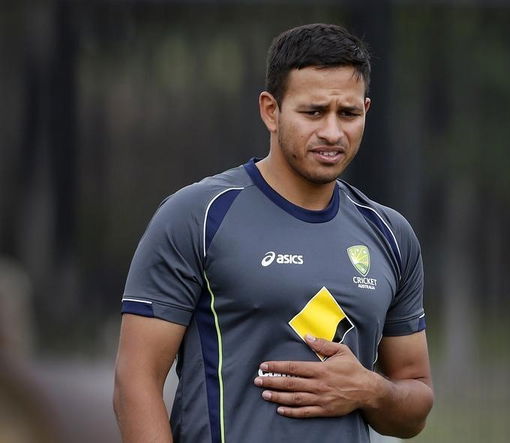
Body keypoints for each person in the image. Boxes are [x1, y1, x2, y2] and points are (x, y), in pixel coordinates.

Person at [113, 23, 433, 443]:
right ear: (270, 110)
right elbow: (134, 384)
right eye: (314, 112)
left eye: (348, 114)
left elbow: (414, 404)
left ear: (366, 111)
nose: (333, 132)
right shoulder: (198, 216)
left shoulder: (390, 234)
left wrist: (370, 389)